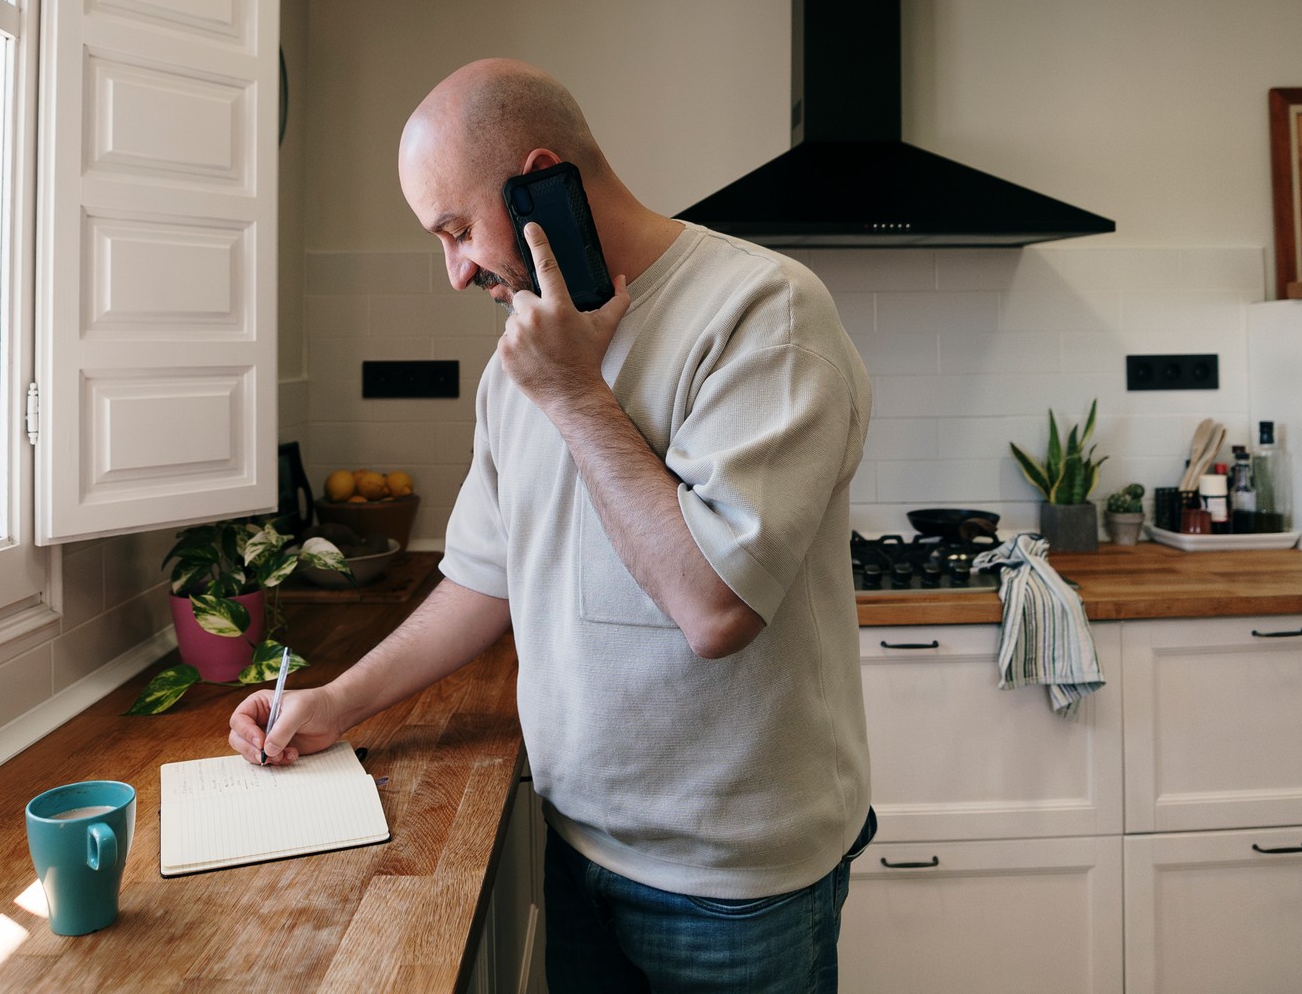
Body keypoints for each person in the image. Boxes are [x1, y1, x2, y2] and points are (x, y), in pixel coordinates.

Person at [229, 58, 874, 992]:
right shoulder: (522, 360)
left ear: (542, 180)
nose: (453, 271)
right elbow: (482, 579)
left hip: (738, 887)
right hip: (576, 848)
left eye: (457, 229)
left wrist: (575, 394)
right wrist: (335, 702)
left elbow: (715, 611)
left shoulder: (762, 314)